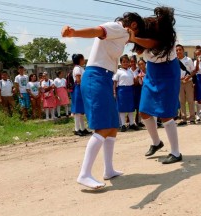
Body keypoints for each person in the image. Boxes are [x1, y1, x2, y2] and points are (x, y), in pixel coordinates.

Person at [61, 11, 145, 189]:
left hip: (105, 78)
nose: (133, 31)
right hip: (96, 77)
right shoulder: (118, 28)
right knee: (104, 126)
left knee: (113, 126)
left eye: (136, 30)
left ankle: (109, 169)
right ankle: (84, 174)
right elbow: (96, 30)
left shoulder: (122, 36)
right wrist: (74, 33)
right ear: (128, 22)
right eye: (134, 26)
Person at [129, 7, 182, 164]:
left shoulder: (167, 38)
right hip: (152, 71)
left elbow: (152, 43)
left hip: (168, 72)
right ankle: (156, 142)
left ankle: (176, 152)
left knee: (165, 114)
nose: (156, 23)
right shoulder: (148, 26)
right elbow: (140, 46)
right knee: (144, 111)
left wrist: (133, 38)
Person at [113, 54, 139, 132]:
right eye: (124, 62)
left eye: (127, 62)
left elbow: (134, 81)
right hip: (122, 91)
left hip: (130, 90)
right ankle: (123, 125)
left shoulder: (130, 71)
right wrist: (114, 92)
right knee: (122, 108)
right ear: (121, 63)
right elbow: (115, 82)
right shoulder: (118, 71)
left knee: (131, 108)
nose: (125, 63)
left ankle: (131, 124)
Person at [71, 54, 91, 136]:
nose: (84, 60)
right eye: (83, 59)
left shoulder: (80, 68)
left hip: (81, 89)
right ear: (79, 60)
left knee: (81, 111)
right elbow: (78, 80)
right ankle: (77, 129)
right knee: (78, 110)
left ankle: (82, 128)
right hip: (79, 89)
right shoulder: (77, 69)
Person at [176, 44, 196, 125]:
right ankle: (183, 119)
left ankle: (192, 118)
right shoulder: (174, 61)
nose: (178, 51)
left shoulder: (188, 60)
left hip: (188, 82)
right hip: (179, 83)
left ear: (183, 50)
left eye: (180, 50)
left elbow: (194, 71)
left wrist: (188, 77)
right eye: (176, 50)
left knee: (190, 100)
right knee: (181, 101)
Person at [129, 55, 142, 127]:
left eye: (134, 61)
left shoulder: (139, 70)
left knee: (139, 105)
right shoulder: (128, 71)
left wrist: (137, 80)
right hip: (131, 89)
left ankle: (138, 121)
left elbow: (140, 80)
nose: (132, 63)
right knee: (131, 105)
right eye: (131, 62)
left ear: (136, 62)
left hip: (138, 89)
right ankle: (130, 121)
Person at [136, 58, 146, 127]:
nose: (141, 65)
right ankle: (141, 121)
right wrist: (138, 78)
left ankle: (157, 120)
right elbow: (140, 83)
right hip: (144, 91)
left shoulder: (150, 72)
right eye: (139, 64)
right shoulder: (139, 74)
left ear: (145, 64)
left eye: (142, 64)